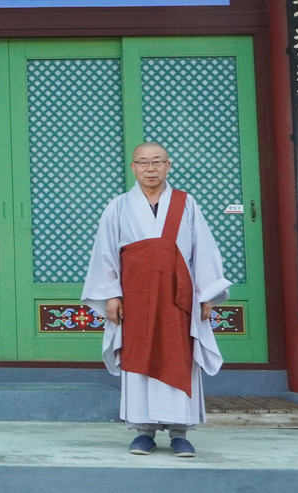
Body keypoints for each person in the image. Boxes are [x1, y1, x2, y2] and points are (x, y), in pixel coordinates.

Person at [81, 141, 231, 458]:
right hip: (134, 296)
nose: (151, 168)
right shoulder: (119, 206)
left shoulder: (186, 204)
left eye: (157, 162)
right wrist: (111, 295)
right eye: (144, 162)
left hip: (177, 296)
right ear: (133, 167)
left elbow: (202, 250)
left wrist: (207, 295)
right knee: (139, 356)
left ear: (168, 165)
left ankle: (180, 431)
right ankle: (143, 430)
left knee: (178, 353)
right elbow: (106, 254)